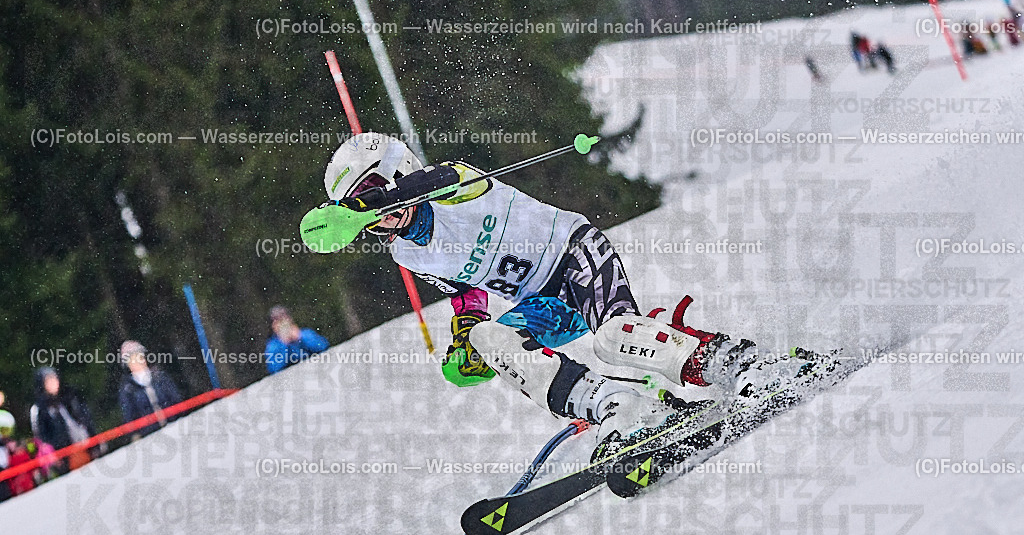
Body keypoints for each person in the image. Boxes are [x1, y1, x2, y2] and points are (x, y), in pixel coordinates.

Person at [304, 133, 769, 452]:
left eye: (371, 192)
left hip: (573, 255)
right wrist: (465, 335)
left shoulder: (449, 181)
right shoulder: (407, 253)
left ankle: (735, 362)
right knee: (489, 343)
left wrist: (377, 201)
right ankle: (623, 410)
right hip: (542, 305)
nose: (375, 214)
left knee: (616, 336)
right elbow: (466, 289)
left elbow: (440, 182)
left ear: (397, 169)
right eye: (357, 208)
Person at [30, 367, 95, 473]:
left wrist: (93, 439)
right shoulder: (40, 408)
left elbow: (85, 419)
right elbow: (42, 437)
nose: (53, 383)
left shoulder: (69, 396)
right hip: (66, 455)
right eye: (48, 380)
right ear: (43, 384)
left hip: (86, 445)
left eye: (54, 379)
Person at [118, 340, 183, 438]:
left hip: (174, 426)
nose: (138, 360)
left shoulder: (160, 376)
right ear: (128, 364)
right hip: (151, 435)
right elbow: (129, 416)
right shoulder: (128, 389)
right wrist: (137, 434)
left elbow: (176, 398)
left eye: (140, 356)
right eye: (133, 358)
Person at [1, 410, 54, 497]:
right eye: (3, 431)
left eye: (5, 430)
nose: (5, 434)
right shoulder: (9, 451)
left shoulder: (21, 449)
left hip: (29, 487)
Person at [264, 306, 329, 373]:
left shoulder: (306, 333)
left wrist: (300, 338)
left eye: (283, 318)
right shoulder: (272, 346)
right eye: (277, 320)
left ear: (290, 319)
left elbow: (323, 347)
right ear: (273, 326)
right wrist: (284, 344)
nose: (282, 323)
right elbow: (275, 369)